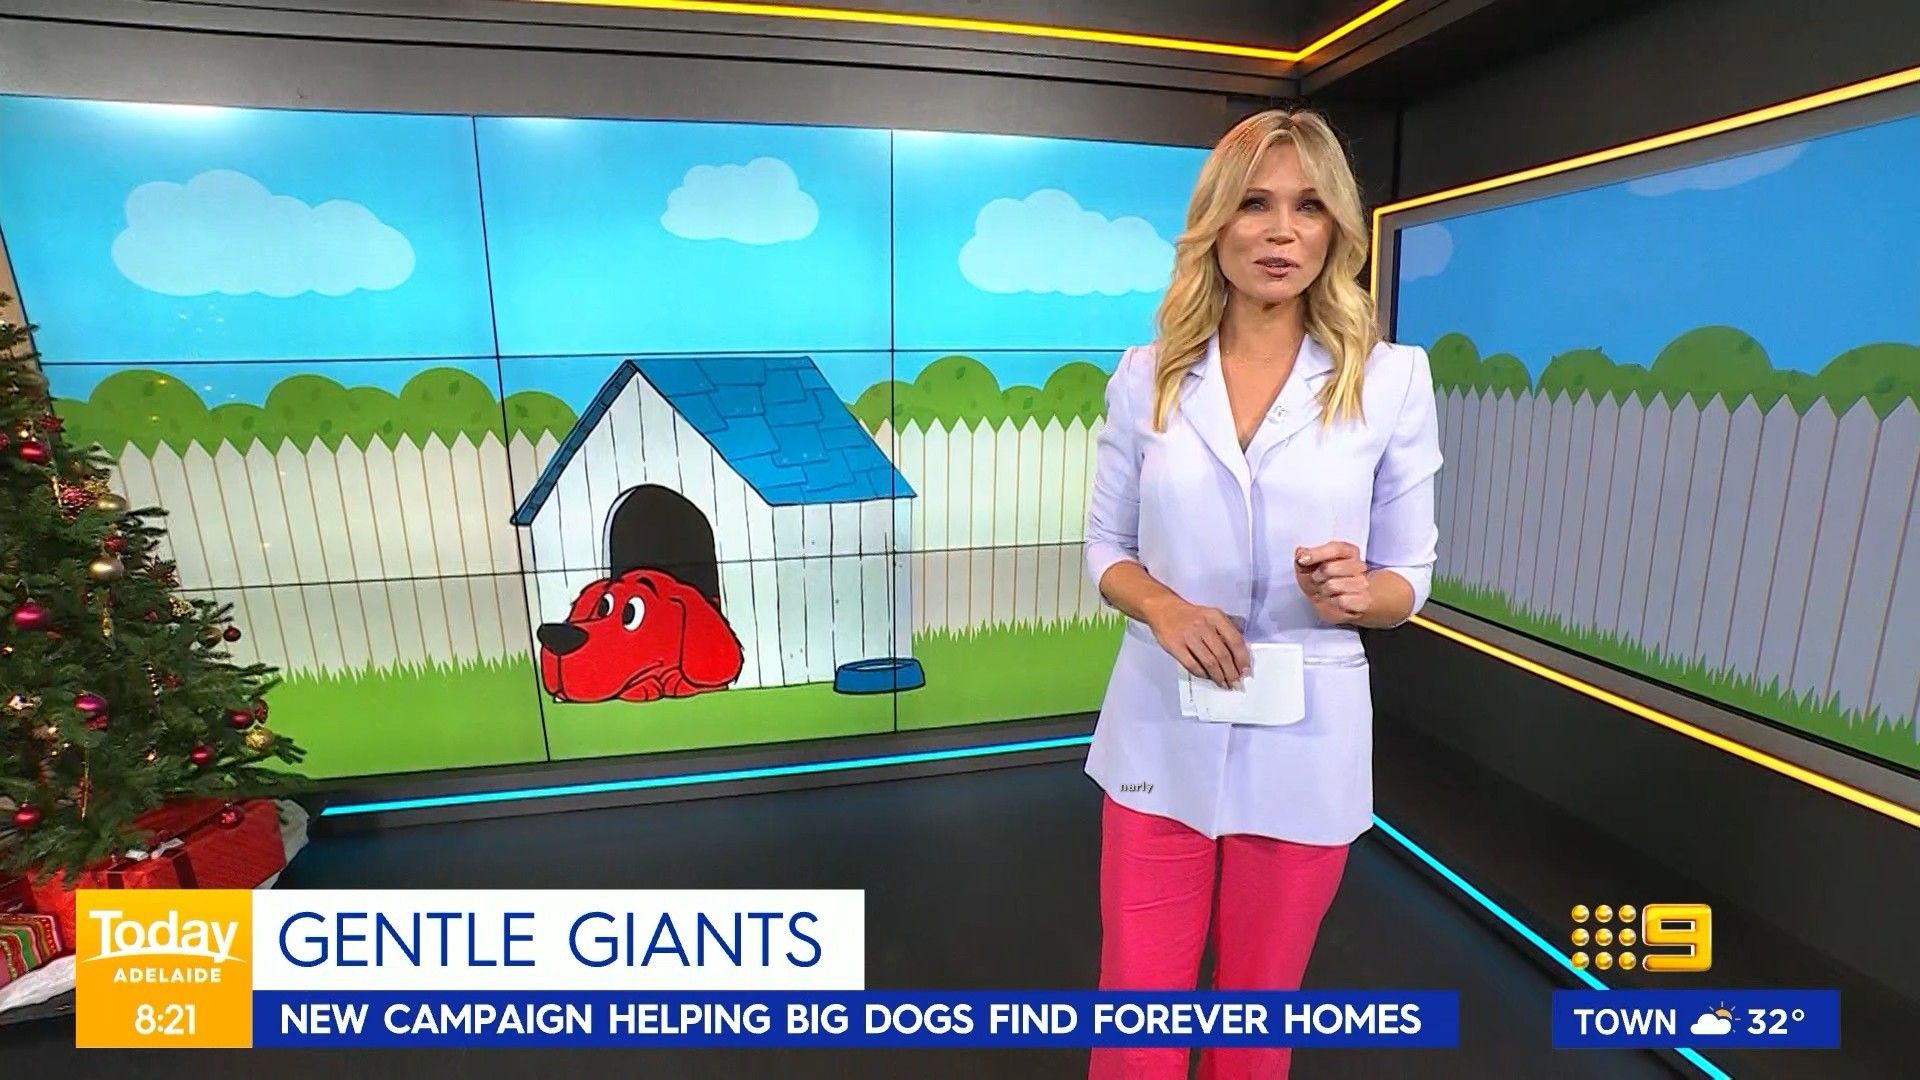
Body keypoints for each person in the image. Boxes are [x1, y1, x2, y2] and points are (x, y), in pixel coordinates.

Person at [1081, 107, 1443, 1080]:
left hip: (1305, 739)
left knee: (1256, 1019)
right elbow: (1107, 548)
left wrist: (1359, 593)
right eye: (1254, 204)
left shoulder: (1392, 381)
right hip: (1159, 728)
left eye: (1308, 207)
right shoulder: (1146, 377)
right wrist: (1164, 608)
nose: (1281, 231)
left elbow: (1409, 578)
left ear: (1335, 230)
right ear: (1216, 224)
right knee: (1137, 1014)